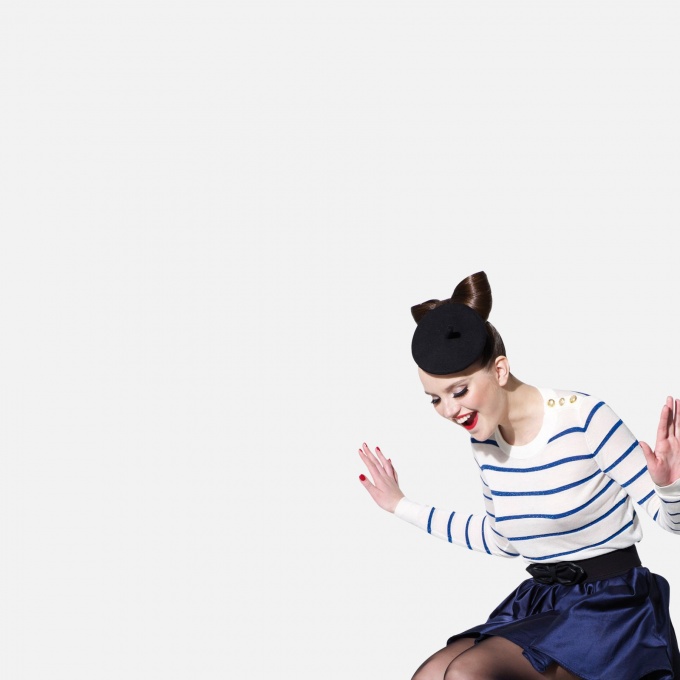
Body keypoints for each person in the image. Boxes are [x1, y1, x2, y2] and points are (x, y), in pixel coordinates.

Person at [358, 271, 680, 680]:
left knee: (466, 672)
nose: (450, 411)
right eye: (435, 399)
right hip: (543, 602)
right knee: (431, 674)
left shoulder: (583, 417)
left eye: (459, 391)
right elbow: (502, 540)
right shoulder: (485, 444)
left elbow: (673, 522)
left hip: (612, 609)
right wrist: (400, 505)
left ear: (499, 370)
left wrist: (670, 485)